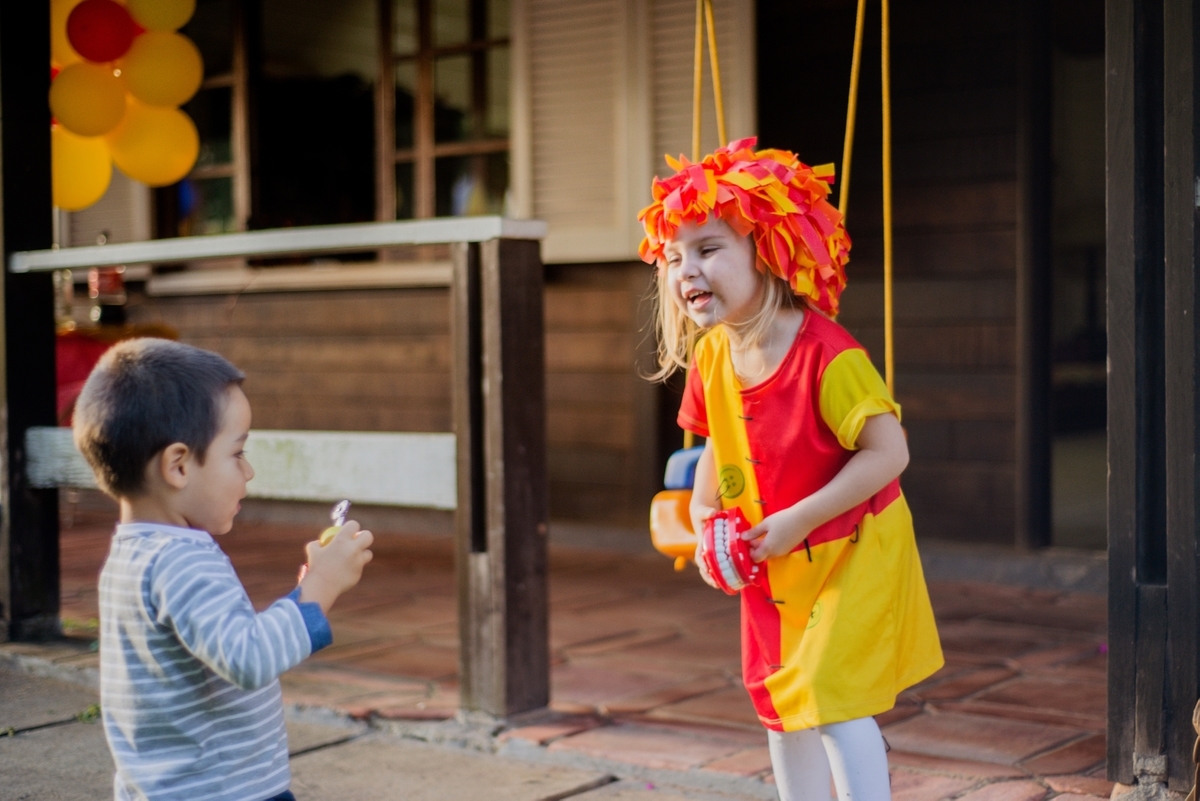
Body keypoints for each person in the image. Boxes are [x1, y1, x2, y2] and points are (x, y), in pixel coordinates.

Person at [639, 137, 943, 801]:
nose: (684, 269)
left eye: (708, 248)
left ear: (769, 249)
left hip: (850, 545)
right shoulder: (716, 353)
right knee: (780, 698)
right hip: (774, 557)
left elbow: (890, 452)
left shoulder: (829, 355)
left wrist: (794, 519)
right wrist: (702, 511)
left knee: (833, 696)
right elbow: (717, 438)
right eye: (673, 255)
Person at [73, 338, 374, 801]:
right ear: (178, 466)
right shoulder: (181, 562)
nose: (248, 471)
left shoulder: (135, 553)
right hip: (224, 790)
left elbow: (220, 641)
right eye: (237, 453)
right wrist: (321, 587)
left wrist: (299, 596)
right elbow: (248, 659)